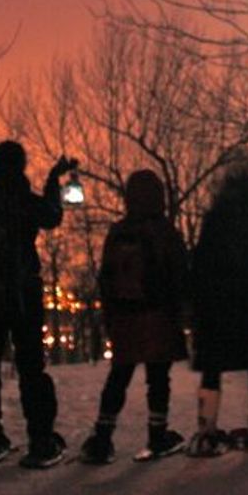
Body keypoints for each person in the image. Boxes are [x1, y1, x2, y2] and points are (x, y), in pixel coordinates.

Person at [0, 141, 77, 468]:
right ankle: (41, 440)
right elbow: (53, 215)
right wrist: (53, 180)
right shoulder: (23, 202)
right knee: (32, 369)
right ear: (21, 166)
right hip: (22, 298)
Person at [80, 170, 190, 464]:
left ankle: (102, 438)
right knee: (158, 378)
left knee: (119, 375)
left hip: (125, 317)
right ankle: (157, 436)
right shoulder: (165, 232)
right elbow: (180, 275)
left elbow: (106, 278)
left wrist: (110, 315)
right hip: (157, 316)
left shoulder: (118, 231)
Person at [187, 156, 248, 456]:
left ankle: (207, 431)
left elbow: (202, 261)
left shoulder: (215, 217)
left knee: (212, 366)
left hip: (216, 304)